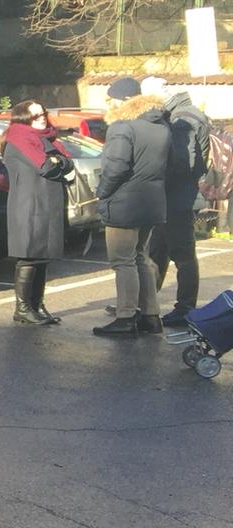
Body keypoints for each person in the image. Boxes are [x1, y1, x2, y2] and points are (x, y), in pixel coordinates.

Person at [93, 77, 171, 337]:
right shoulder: (160, 125)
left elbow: (115, 167)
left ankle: (125, 316)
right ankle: (151, 316)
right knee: (139, 257)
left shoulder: (122, 127)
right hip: (151, 202)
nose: (109, 103)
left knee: (123, 261)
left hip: (125, 203)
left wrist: (101, 194)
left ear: (124, 100)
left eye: (111, 98)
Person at [2, 100, 73, 327]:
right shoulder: (20, 138)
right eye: (35, 116)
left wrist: (58, 161)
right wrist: (57, 162)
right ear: (23, 119)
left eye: (43, 113)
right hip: (29, 204)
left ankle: (37, 304)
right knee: (30, 255)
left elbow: (68, 163)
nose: (41, 118)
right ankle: (23, 308)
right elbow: (45, 166)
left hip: (47, 202)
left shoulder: (46, 138)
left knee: (43, 255)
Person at [149, 89, 211, 327]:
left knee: (181, 253)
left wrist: (158, 180)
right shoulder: (187, 112)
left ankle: (184, 308)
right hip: (178, 195)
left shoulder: (182, 119)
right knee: (159, 249)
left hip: (177, 197)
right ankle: (146, 301)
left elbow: (183, 160)